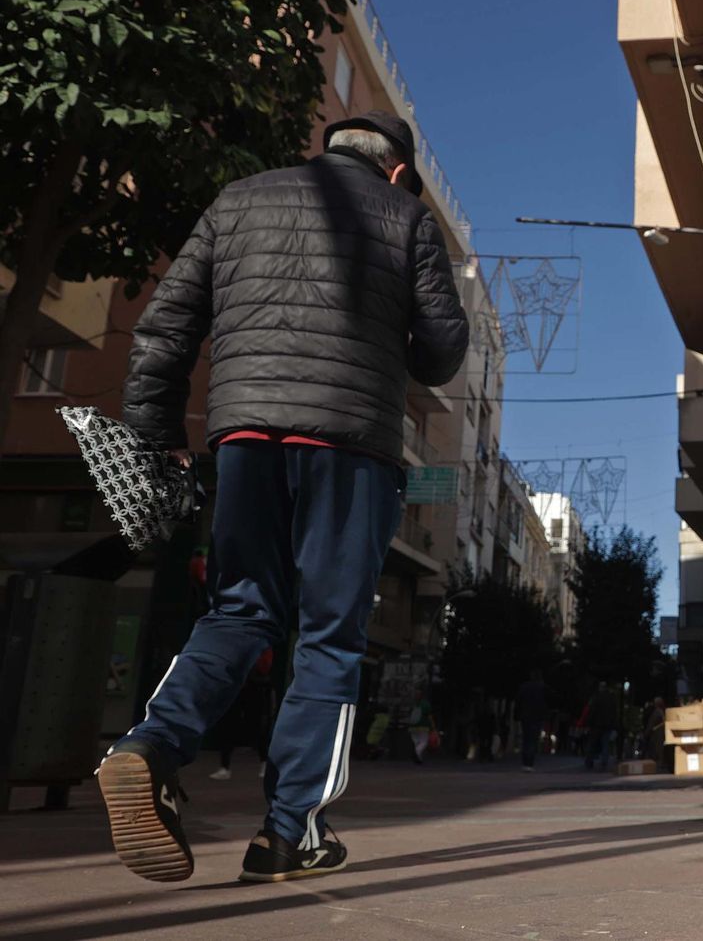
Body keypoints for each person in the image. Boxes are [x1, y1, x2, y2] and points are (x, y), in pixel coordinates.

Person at [94, 110, 469, 885]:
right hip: (349, 445)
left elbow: (164, 329)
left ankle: (150, 746)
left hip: (242, 436)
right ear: (397, 170)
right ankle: (289, 832)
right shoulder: (407, 218)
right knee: (329, 635)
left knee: (238, 610)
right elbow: (440, 354)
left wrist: (158, 432)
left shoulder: (238, 199)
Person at [210, 648, 276, 780]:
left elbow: (265, 666)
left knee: (258, 726)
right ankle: (224, 767)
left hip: (256, 686)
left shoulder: (262, 645)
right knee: (229, 725)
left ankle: (265, 762)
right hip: (237, 687)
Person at [513, 670, 547, 771]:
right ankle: (530, 763)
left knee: (526, 738)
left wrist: (517, 715)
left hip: (526, 716)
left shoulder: (524, 687)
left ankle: (525, 762)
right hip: (537, 716)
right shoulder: (542, 688)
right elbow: (546, 702)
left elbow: (518, 701)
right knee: (533, 739)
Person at [583, 680, 620, 771]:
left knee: (592, 743)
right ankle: (604, 762)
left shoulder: (596, 697)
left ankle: (589, 761)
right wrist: (614, 725)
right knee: (605, 744)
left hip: (596, 725)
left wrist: (588, 723)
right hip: (607, 725)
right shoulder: (612, 698)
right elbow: (614, 713)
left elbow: (591, 712)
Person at [406, 687, 435, 766]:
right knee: (423, 742)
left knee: (416, 742)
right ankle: (417, 753)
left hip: (412, 726)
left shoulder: (413, 704)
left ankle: (419, 758)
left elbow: (409, 715)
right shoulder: (425, 704)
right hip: (423, 726)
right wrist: (433, 726)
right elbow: (429, 716)